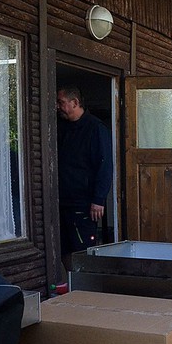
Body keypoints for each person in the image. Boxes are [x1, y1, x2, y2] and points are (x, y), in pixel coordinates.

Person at [56, 86, 113, 272]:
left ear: (75, 103)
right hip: (62, 201)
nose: (57, 107)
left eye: (61, 102)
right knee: (63, 247)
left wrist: (98, 199)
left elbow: (104, 165)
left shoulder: (95, 128)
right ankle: (72, 281)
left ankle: (86, 283)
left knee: (82, 249)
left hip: (84, 203)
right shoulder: (60, 127)